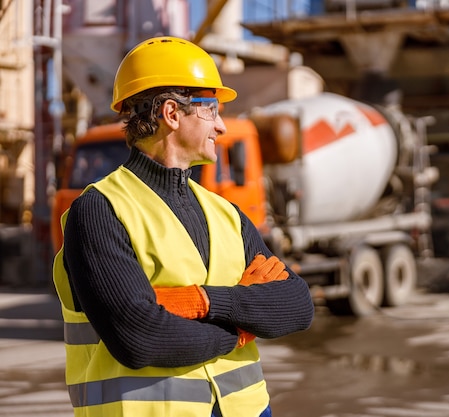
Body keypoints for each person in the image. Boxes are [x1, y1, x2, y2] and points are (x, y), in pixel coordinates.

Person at [53, 36, 315, 417]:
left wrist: (205, 302)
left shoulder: (225, 213)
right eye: (212, 111)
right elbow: (140, 338)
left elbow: (297, 305)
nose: (222, 127)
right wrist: (241, 328)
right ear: (172, 114)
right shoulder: (99, 211)